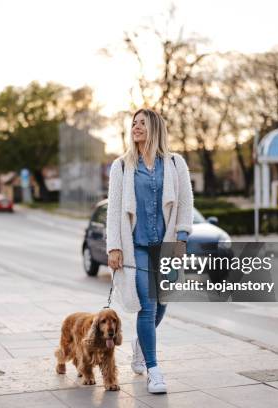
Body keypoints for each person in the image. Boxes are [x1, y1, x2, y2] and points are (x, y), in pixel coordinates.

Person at [105, 108, 193, 394]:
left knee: (163, 303)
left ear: (155, 128)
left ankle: (141, 344)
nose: (136, 127)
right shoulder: (121, 166)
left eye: (142, 123)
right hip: (137, 247)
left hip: (165, 245)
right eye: (134, 124)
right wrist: (114, 247)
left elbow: (185, 203)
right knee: (148, 306)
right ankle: (155, 370)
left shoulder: (175, 163)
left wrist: (180, 240)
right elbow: (115, 209)